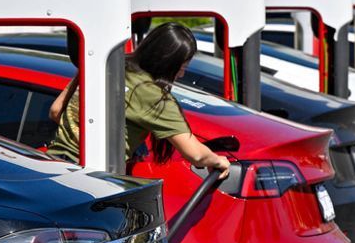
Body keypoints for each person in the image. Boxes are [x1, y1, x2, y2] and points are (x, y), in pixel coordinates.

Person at [47, 22, 230, 178]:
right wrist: (218, 160)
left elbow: (56, 111)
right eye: (182, 67)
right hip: (90, 180)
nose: (181, 74)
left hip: (52, 166)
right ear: (169, 64)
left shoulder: (107, 62)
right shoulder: (153, 96)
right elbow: (196, 155)